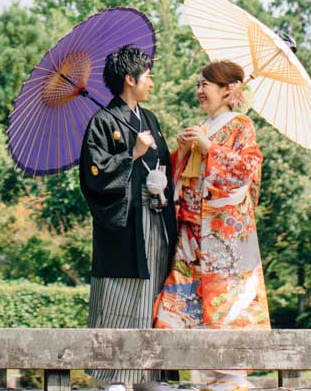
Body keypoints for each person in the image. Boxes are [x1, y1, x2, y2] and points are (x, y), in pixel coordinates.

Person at [153, 59, 271, 391]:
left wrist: (210, 149)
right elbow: (183, 177)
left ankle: (232, 377)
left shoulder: (241, 125)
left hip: (224, 236)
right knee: (176, 302)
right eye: (199, 84)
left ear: (228, 89)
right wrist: (182, 152)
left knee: (228, 301)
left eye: (206, 84)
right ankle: (165, 373)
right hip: (192, 233)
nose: (199, 91)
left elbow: (248, 169)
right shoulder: (206, 124)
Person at [78, 45, 178, 391]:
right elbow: (93, 176)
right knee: (120, 296)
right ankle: (116, 375)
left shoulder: (150, 119)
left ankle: (150, 374)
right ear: (129, 78)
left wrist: (162, 183)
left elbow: (163, 163)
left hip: (155, 215)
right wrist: (131, 154)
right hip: (122, 224)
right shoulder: (103, 122)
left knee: (154, 292)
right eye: (147, 75)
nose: (151, 81)